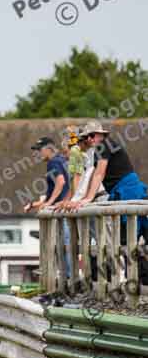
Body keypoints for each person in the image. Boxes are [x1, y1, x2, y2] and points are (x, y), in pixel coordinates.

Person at [72, 120, 148, 284]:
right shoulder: (98, 150)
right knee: (125, 239)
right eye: (87, 137)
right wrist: (82, 198)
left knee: (132, 236)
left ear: (100, 135)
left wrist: (87, 198)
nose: (90, 139)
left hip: (129, 192)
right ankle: (133, 281)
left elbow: (100, 173)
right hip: (121, 193)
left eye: (92, 135)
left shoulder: (104, 145)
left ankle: (138, 281)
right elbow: (92, 176)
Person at [24, 136, 71, 277]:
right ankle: (66, 275)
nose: (37, 154)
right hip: (66, 208)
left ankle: (66, 276)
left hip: (61, 210)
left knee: (62, 245)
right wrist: (36, 204)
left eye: (39, 150)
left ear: (48, 149)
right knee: (64, 245)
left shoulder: (53, 162)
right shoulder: (62, 160)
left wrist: (49, 203)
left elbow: (61, 182)